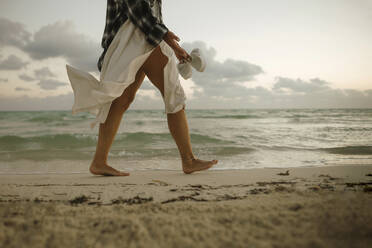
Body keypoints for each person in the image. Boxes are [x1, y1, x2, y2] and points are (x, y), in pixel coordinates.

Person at [66, 0, 218, 176]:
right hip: (136, 35)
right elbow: (138, 9)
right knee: (173, 94)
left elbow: (151, 15)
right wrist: (170, 41)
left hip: (137, 36)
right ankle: (188, 160)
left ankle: (99, 161)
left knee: (122, 101)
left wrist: (171, 43)